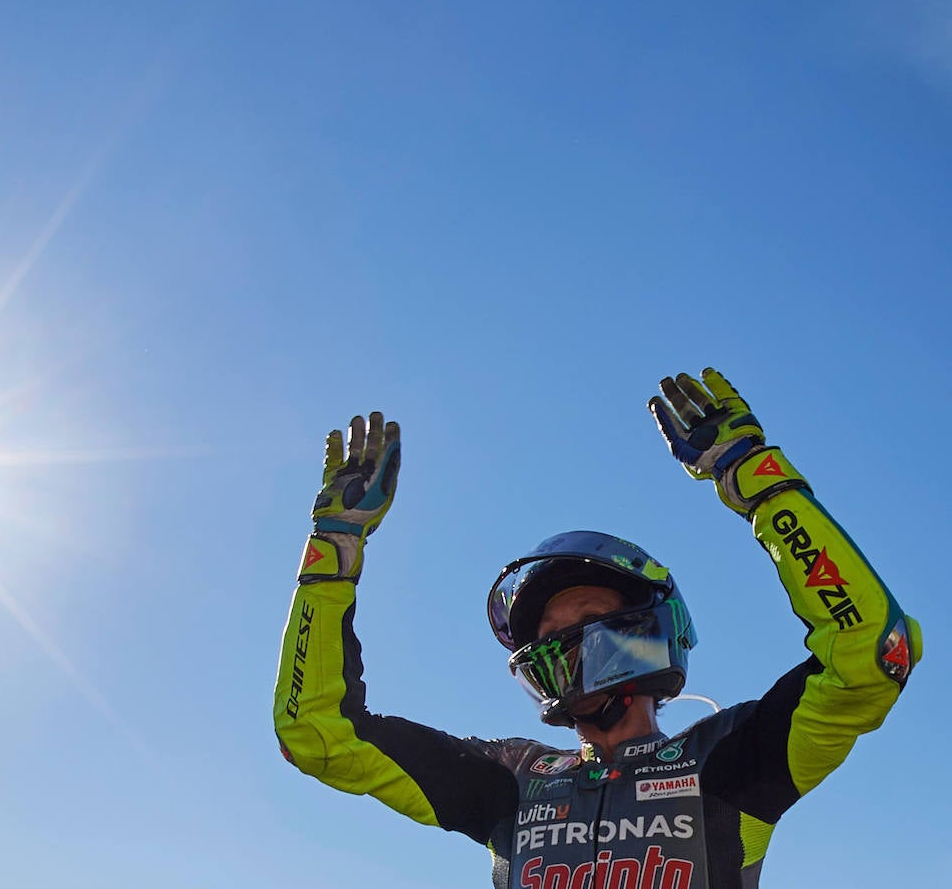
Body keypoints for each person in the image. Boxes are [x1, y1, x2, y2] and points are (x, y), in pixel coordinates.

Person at [273, 368, 920, 889]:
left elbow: (872, 654)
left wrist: (756, 476)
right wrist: (333, 551)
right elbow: (316, 733)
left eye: (585, 622)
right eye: (547, 633)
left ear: (646, 631)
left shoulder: (724, 764)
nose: (562, 645)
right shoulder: (512, 781)